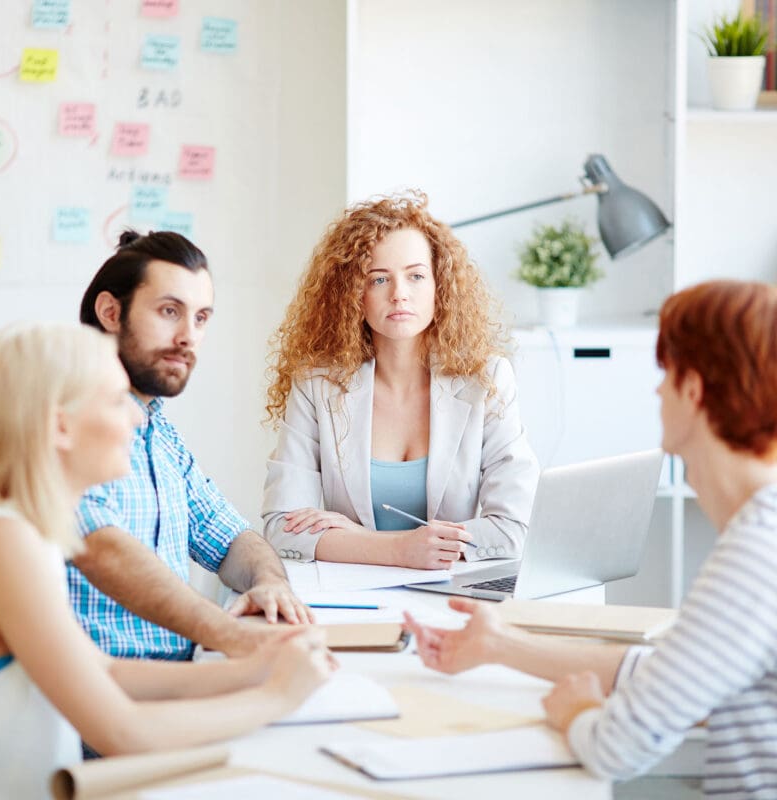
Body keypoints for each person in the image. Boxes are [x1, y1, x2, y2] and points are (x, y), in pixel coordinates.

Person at [406, 280, 777, 798]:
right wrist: (501, 644)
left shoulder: (756, 555)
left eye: (666, 375)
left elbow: (614, 746)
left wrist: (576, 711)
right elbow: (668, 672)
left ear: (693, 391)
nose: (657, 391)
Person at [0, 322, 333, 799]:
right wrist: (276, 695)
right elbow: (121, 731)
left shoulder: (23, 531)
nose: (138, 419)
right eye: (115, 399)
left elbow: (106, 671)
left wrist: (257, 665)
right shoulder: (4, 539)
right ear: (60, 425)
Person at [262, 191, 539, 568]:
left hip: (454, 594)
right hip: (351, 598)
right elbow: (282, 529)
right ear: (351, 294)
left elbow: (512, 531)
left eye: (416, 276)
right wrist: (398, 550)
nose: (399, 294)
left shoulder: (486, 379)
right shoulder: (317, 384)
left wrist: (360, 539)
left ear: (440, 287)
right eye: (378, 280)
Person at [72, 230, 312, 664]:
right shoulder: (67, 418)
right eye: (170, 311)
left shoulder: (159, 432)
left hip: (177, 675)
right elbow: (102, 548)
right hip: (101, 700)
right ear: (110, 311)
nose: (189, 336)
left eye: (201, 318)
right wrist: (230, 635)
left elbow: (229, 535)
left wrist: (269, 582)